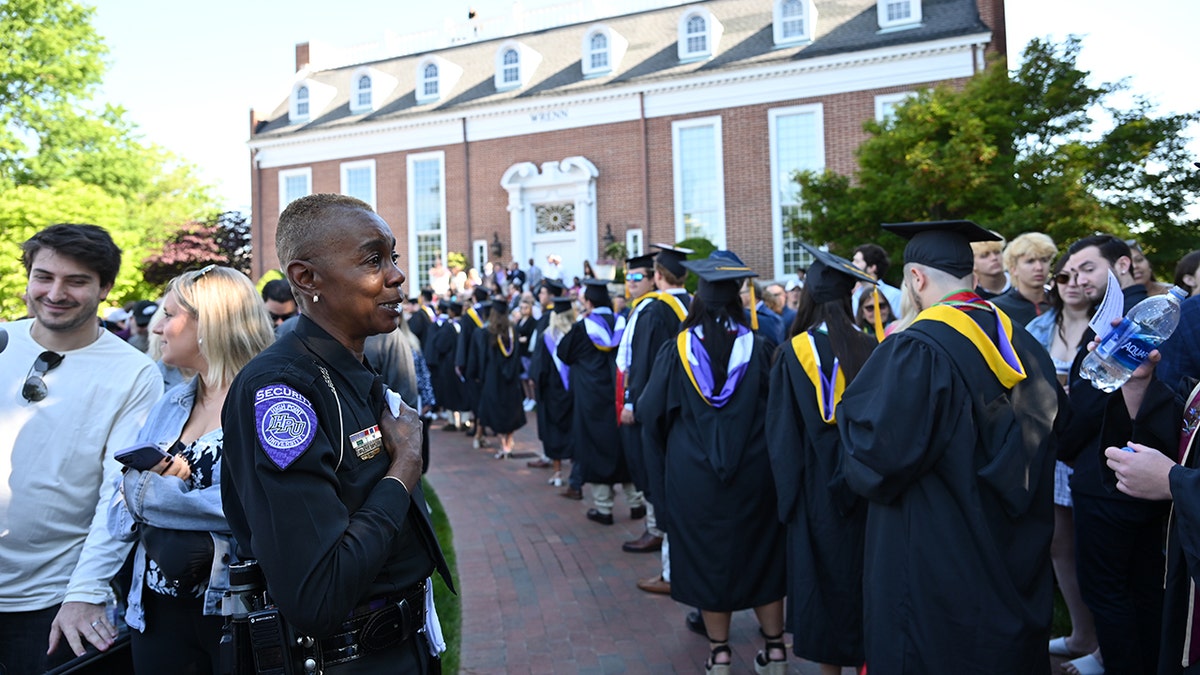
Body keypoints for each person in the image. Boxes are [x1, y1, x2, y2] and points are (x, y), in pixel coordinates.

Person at [220, 194, 454, 673]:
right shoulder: (284, 389)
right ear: (306, 278)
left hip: (403, 647)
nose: (395, 275)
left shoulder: (348, 368)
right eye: (372, 260)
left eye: (393, 257)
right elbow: (317, 594)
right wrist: (406, 464)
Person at [838, 220, 1062, 673]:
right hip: (1010, 546)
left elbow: (878, 454)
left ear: (916, 279)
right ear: (971, 276)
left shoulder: (917, 347)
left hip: (935, 550)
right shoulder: (1021, 339)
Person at [0, 223, 163, 673]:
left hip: (54, 602)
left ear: (105, 287)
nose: (55, 293)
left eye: (76, 281)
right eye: (44, 276)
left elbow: (121, 492)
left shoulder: (133, 374)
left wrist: (86, 592)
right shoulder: (1, 344)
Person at [107, 265, 274, 673]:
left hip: (233, 614)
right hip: (153, 610)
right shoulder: (171, 404)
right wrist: (167, 498)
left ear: (210, 323)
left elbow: (256, 508)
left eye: (169, 314)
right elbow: (116, 513)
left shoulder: (266, 405)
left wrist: (148, 492)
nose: (156, 327)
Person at [639, 254, 787, 675]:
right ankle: (775, 651)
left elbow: (650, 412)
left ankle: (719, 654)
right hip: (755, 476)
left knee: (707, 558)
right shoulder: (759, 349)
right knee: (762, 554)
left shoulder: (676, 351)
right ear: (738, 301)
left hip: (695, 478)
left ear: (697, 300)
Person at [1057, 233, 1174, 675]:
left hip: (1116, 475)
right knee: (1145, 588)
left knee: (1111, 589)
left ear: (1122, 265)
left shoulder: (1130, 319)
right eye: (1072, 271)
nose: (1079, 278)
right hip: (1147, 473)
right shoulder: (1123, 313)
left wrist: (1061, 441)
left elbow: (1091, 404)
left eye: (1088, 267)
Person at [767, 243, 878, 675]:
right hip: (868, 492)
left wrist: (789, 502)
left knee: (824, 586)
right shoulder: (873, 348)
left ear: (808, 295)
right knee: (865, 580)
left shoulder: (791, 353)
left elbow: (781, 439)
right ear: (850, 295)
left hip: (815, 499)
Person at [1024, 258, 1100, 664]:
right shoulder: (1037, 328)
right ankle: (1081, 632)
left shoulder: (1109, 325)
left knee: (1099, 543)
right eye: (1063, 277)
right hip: (1053, 444)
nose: (1071, 284)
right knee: (1060, 542)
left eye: (1079, 276)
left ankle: (1103, 643)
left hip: (1092, 445)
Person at [557, 279, 639, 525]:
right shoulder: (624, 323)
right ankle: (636, 503)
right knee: (625, 447)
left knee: (596, 446)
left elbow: (563, 353)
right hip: (620, 396)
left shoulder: (583, 328)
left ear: (589, 303)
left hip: (591, 400)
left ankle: (604, 508)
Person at [469, 299, 526, 459]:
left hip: (493, 380)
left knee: (497, 412)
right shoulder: (513, 330)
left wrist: (480, 376)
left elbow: (483, 358)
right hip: (511, 381)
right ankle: (509, 442)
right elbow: (516, 356)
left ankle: (503, 445)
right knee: (511, 410)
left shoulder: (488, 333)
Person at [529, 295, 576, 487]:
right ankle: (575, 473)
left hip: (551, 392)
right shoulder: (578, 333)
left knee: (555, 430)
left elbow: (539, 370)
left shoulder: (547, 337)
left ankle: (557, 472)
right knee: (574, 430)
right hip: (573, 391)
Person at [990, 232, 1055, 326]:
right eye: (1030, 261)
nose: (1039, 267)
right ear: (1014, 268)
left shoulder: (1061, 303)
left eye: (1044, 260)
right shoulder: (997, 308)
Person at [971, 234, 1010, 299]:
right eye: (984, 255)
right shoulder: (972, 296)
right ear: (973, 263)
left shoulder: (1020, 284)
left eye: (997, 252)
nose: (994, 258)